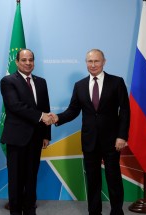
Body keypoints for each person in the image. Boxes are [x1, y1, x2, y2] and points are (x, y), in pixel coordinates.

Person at [49, 49, 130, 215]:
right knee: (92, 180)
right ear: (86, 63)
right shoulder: (79, 85)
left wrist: (122, 136)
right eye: (89, 61)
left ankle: (116, 211)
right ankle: (94, 212)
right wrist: (57, 117)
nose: (93, 65)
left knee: (113, 179)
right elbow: (73, 110)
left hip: (112, 141)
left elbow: (125, 111)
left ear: (104, 62)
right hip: (89, 141)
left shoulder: (116, 82)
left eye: (96, 61)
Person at [0, 49, 52, 215]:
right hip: (16, 138)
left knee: (31, 177)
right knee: (15, 179)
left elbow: (46, 108)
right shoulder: (8, 81)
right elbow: (14, 106)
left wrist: (46, 134)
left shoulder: (41, 82)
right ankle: (15, 211)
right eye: (24, 60)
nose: (28, 63)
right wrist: (41, 116)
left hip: (36, 138)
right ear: (17, 62)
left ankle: (30, 210)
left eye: (30, 59)